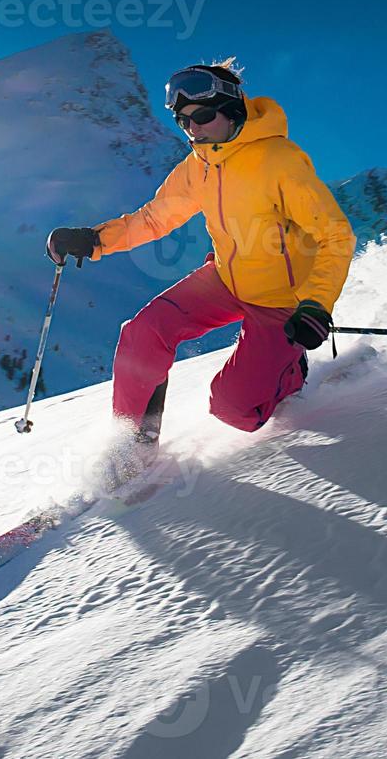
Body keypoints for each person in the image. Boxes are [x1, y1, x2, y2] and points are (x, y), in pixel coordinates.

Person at [47, 60, 356, 474]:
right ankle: (135, 444)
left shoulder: (279, 162)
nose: (193, 129)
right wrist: (96, 239)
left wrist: (316, 305)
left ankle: (290, 370)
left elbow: (335, 236)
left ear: (233, 109)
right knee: (143, 334)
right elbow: (156, 218)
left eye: (204, 117)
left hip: (283, 301)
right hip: (226, 279)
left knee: (236, 411)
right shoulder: (198, 167)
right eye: (183, 121)